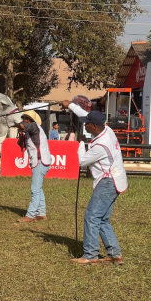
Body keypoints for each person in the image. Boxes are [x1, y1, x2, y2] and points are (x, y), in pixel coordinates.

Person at [61, 100, 127, 266]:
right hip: (116, 180)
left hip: (107, 182)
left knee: (91, 216)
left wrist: (80, 144)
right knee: (102, 218)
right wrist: (70, 105)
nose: (85, 126)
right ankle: (114, 254)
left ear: (94, 127)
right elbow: (85, 115)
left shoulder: (100, 145)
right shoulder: (107, 130)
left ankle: (90, 254)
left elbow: (82, 162)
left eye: (87, 125)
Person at [15, 110, 51, 222]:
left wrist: (14, 122)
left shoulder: (33, 126)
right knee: (38, 188)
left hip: (40, 161)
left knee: (35, 189)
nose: (23, 120)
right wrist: (21, 134)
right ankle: (41, 213)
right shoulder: (30, 131)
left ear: (29, 120)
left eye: (25, 118)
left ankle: (30, 215)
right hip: (40, 161)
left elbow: (22, 125)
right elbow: (20, 144)